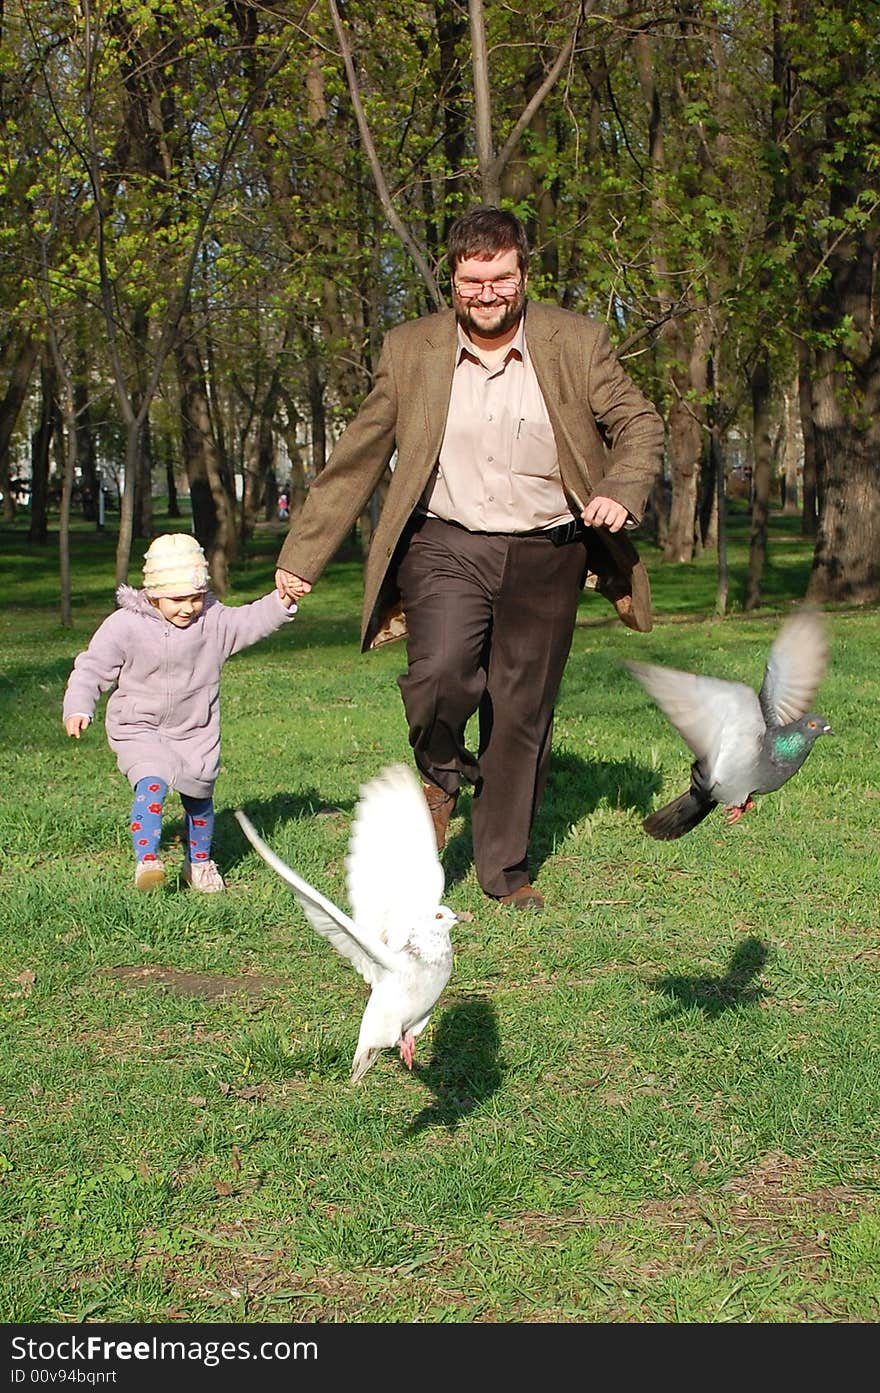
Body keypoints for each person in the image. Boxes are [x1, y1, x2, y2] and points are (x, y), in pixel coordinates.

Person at [274, 207, 664, 912]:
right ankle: (442, 771)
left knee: (521, 714)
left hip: (549, 548)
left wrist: (618, 487)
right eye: (471, 280)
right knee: (441, 672)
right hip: (446, 543)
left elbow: (638, 422)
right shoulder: (410, 349)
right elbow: (358, 456)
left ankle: (502, 871)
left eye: (501, 279)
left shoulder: (577, 343)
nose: (487, 293)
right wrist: (303, 554)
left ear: (523, 274)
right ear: (451, 277)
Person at [63, 532, 297, 893]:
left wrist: (280, 602)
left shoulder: (213, 623)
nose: (188, 607)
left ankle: (198, 865)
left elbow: (252, 620)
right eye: (177, 599)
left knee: (200, 798)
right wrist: (79, 706)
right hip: (139, 726)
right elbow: (92, 668)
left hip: (195, 729)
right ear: (153, 594)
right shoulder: (125, 626)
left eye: (196, 597)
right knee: (151, 782)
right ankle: (148, 861)